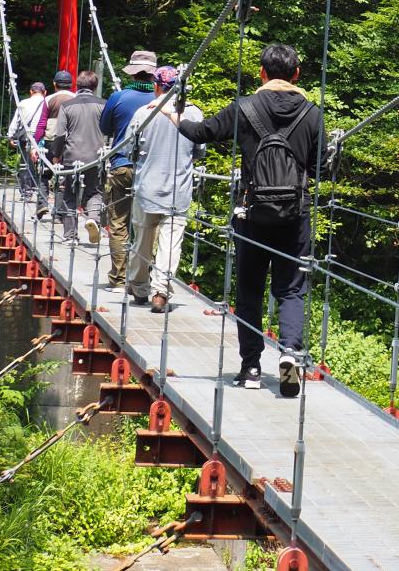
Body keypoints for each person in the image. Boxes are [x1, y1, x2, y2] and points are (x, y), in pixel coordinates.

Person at [174, 43, 322, 396]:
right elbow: (320, 168)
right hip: (295, 214)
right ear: (297, 74)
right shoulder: (313, 114)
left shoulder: (244, 107)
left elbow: (200, 132)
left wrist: (175, 114)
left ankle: (251, 368)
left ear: (261, 73)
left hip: (252, 213)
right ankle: (289, 354)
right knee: (291, 290)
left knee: (250, 291)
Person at [128, 65, 203, 313]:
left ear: (156, 86)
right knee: (171, 242)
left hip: (147, 186)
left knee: (143, 238)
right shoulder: (194, 114)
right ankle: (160, 291)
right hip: (178, 189)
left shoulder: (142, 113)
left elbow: (131, 151)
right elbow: (199, 152)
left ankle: (139, 287)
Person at [99, 49, 158, 288]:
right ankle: (146, 276)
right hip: (152, 169)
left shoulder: (118, 97)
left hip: (122, 166)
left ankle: (120, 277)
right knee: (149, 225)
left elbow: (105, 129)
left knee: (119, 222)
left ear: (132, 72)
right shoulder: (164, 100)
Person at [46, 70, 106, 246]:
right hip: (96, 156)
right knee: (95, 191)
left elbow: (60, 135)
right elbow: (109, 131)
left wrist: (56, 155)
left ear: (77, 86)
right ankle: (93, 218)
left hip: (71, 156)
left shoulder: (67, 106)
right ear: (94, 87)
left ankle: (70, 236)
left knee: (69, 194)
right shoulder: (104, 104)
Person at [39, 69, 76, 221]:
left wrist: (36, 142)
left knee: (44, 174)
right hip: (69, 141)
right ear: (71, 84)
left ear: (54, 84)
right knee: (64, 177)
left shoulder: (48, 100)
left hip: (50, 139)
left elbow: (41, 123)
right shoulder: (76, 98)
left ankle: (42, 203)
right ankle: (60, 212)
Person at [6, 82, 48, 201]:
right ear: (45, 92)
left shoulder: (23, 103)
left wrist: (10, 136)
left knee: (26, 164)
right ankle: (43, 193)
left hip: (27, 137)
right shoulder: (47, 102)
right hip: (43, 137)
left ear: (31, 92)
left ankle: (27, 192)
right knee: (45, 165)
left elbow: (16, 121)